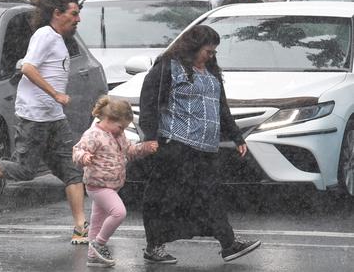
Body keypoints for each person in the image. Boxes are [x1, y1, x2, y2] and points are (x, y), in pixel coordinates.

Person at [0, 0, 90, 244]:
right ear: (57, 14)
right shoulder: (45, 35)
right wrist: (55, 93)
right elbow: (28, 67)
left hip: (54, 118)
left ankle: (81, 227)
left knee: (71, 171)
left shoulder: (58, 39)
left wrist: (55, 102)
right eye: (74, 14)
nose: (78, 19)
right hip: (34, 117)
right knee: (24, 170)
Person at [138, 24, 261, 264]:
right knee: (165, 196)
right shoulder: (167, 67)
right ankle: (154, 246)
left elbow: (221, 107)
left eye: (214, 52)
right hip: (176, 145)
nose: (212, 56)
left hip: (206, 148)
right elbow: (149, 102)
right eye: (208, 51)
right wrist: (151, 136)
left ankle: (228, 244)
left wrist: (236, 136)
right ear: (193, 48)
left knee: (209, 195)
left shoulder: (212, 72)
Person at [72, 96, 156, 267]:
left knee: (97, 222)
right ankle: (99, 244)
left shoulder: (118, 135)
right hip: (98, 185)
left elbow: (129, 150)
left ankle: (93, 257)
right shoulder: (93, 134)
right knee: (119, 212)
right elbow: (77, 151)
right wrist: (84, 157)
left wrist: (144, 148)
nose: (121, 130)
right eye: (120, 127)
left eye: (124, 128)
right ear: (109, 119)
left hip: (112, 185)